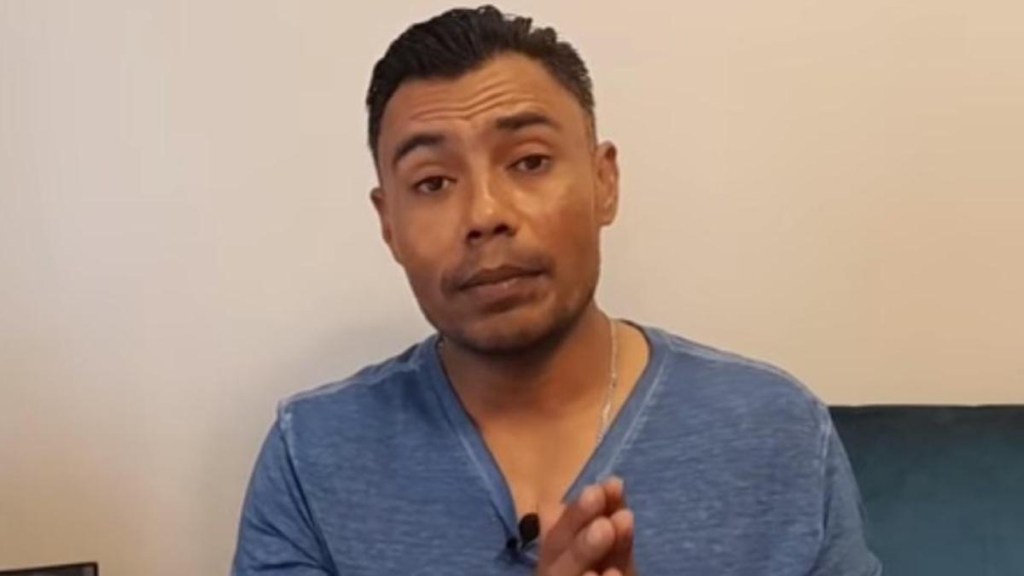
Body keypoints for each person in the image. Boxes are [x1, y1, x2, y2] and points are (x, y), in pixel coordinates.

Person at [232, 5, 881, 575]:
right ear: (388, 225)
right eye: (433, 182)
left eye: (529, 162)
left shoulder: (774, 432)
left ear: (604, 183)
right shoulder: (312, 454)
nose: (486, 214)